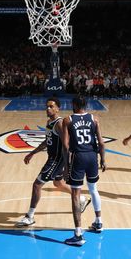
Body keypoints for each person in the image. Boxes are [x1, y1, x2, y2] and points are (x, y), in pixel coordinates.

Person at [15, 97, 90, 227]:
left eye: (51, 106)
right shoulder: (49, 122)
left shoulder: (59, 123)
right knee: (58, 183)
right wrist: (32, 153)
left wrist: (67, 165)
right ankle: (82, 199)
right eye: (47, 106)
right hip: (53, 157)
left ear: (57, 108)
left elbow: (67, 144)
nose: (48, 108)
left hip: (56, 159)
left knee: (37, 185)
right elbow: (47, 141)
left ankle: (30, 216)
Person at [61, 96, 106, 246]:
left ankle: (78, 234)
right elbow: (101, 142)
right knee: (93, 188)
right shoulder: (95, 119)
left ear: (73, 104)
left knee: (75, 194)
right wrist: (103, 160)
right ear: (85, 105)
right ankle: (99, 222)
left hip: (78, 157)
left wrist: (66, 167)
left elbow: (66, 146)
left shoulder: (68, 120)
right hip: (92, 156)